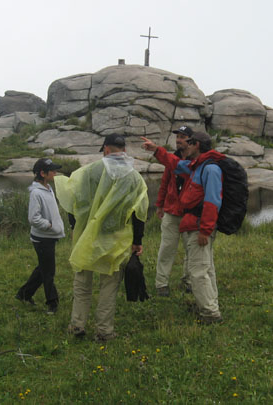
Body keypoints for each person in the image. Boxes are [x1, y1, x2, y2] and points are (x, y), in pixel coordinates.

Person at [55, 134, 148, 342]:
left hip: (85, 235)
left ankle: (77, 324)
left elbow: (73, 200)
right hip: (116, 239)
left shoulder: (88, 171)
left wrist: (73, 226)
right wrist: (137, 240)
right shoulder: (134, 177)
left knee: (82, 281)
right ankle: (104, 331)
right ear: (124, 150)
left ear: (105, 149)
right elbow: (139, 212)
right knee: (109, 284)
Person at [141, 131, 224, 324]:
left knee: (199, 271)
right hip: (192, 225)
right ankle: (209, 305)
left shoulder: (209, 169)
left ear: (197, 145)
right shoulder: (196, 166)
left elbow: (212, 202)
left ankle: (210, 314)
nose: (185, 145)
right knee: (205, 268)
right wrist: (156, 150)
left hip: (198, 227)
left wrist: (205, 230)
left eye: (190, 142)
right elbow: (175, 164)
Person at [15, 158, 66, 315]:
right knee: (48, 272)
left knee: (43, 269)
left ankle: (23, 294)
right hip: (43, 238)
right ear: (43, 173)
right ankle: (52, 303)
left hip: (49, 237)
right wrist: (49, 226)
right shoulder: (36, 193)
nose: (55, 172)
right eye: (52, 170)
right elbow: (33, 218)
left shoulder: (48, 188)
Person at [154, 125, 193, 297]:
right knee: (166, 248)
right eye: (177, 137)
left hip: (189, 213)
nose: (178, 140)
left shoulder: (195, 161)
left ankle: (189, 281)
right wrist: (160, 204)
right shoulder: (172, 159)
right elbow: (165, 182)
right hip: (171, 211)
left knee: (191, 250)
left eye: (183, 137)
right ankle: (161, 283)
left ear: (191, 141)